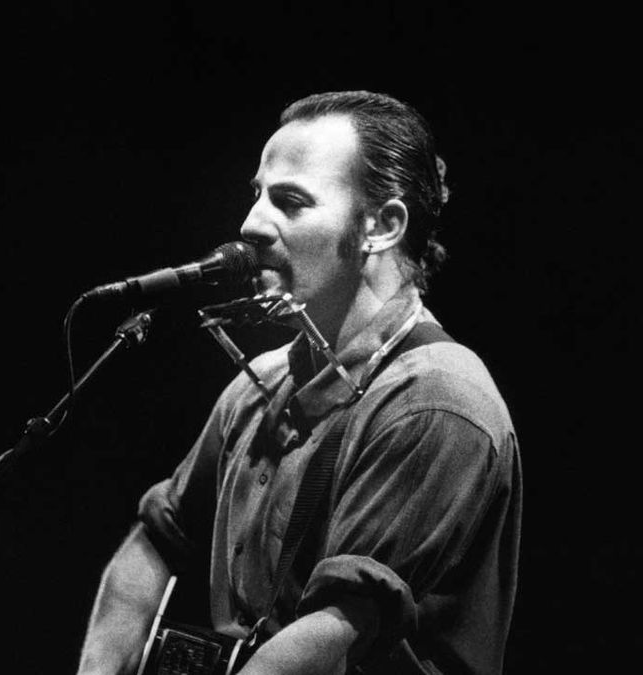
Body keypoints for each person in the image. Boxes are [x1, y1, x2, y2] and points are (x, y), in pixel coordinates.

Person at [75, 91, 521, 675]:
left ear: (381, 226)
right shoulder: (260, 383)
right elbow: (158, 539)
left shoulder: (436, 404)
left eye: (289, 201)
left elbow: (329, 638)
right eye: (256, 195)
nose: (251, 223)